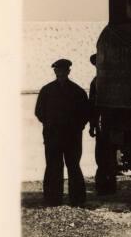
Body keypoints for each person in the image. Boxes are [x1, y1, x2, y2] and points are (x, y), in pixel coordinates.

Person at [34, 59, 91, 206]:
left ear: (68, 71)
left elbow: (86, 113)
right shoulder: (46, 90)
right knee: (53, 166)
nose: (61, 72)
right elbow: (39, 112)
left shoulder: (78, 91)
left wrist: (77, 127)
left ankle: (77, 200)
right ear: (55, 71)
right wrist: (51, 124)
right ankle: (53, 200)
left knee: (73, 166)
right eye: (58, 70)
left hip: (72, 137)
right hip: (52, 135)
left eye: (64, 70)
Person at [89, 54, 118, 195]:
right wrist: (92, 125)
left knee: (111, 155)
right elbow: (92, 106)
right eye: (97, 65)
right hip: (102, 124)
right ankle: (102, 186)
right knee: (101, 156)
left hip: (113, 123)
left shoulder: (114, 81)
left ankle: (111, 185)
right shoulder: (95, 82)